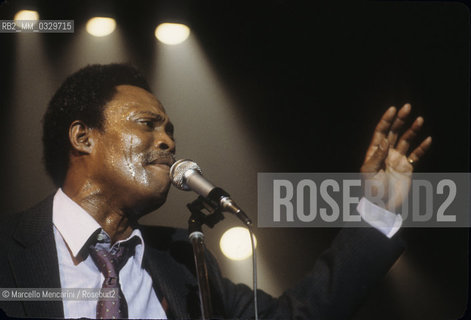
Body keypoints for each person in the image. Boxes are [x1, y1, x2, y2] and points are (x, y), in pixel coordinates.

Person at [0, 64, 431, 319]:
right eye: (147, 124)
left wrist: (377, 210)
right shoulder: (10, 251)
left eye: (170, 130)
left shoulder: (184, 261)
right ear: (83, 137)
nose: (168, 141)